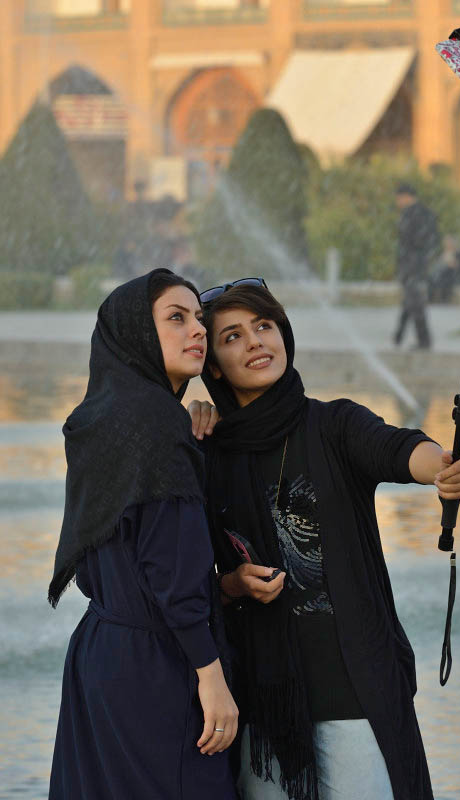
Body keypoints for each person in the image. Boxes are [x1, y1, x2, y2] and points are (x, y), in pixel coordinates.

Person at [189, 280, 460, 800]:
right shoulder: (205, 451)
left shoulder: (334, 424)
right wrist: (232, 585)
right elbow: (179, 570)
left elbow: (400, 448)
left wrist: (442, 467)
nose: (255, 342)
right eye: (232, 336)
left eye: (264, 326)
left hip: (354, 698)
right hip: (261, 709)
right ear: (212, 364)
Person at [48, 269, 238, 800]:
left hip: (100, 653)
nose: (196, 330)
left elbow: (107, 560)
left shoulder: (99, 418)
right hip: (160, 664)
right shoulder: (157, 423)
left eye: (199, 318)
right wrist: (211, 676)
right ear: (134, 332)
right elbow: (171, 575)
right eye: (175, 319)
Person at [393, 184, 440, 349]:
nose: (397, 202)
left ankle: (423, 340)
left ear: (406, 196)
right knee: (410, 300)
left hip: (414, 265)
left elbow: (420, 242)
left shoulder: (416, 214)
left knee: (415, 302)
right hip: (414, 265)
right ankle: (398, 335)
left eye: (399, 198)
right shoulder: (421, 213)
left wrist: (414, 262)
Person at [428, 234, 460, 303]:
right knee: (432, 279)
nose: (447, 244)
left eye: (449, 242)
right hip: (442, 275)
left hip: (454, 276)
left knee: (441, 278)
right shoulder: (444, 253)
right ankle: (432, 298)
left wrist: (452, 264)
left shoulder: (459, 253)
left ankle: (443, 298)